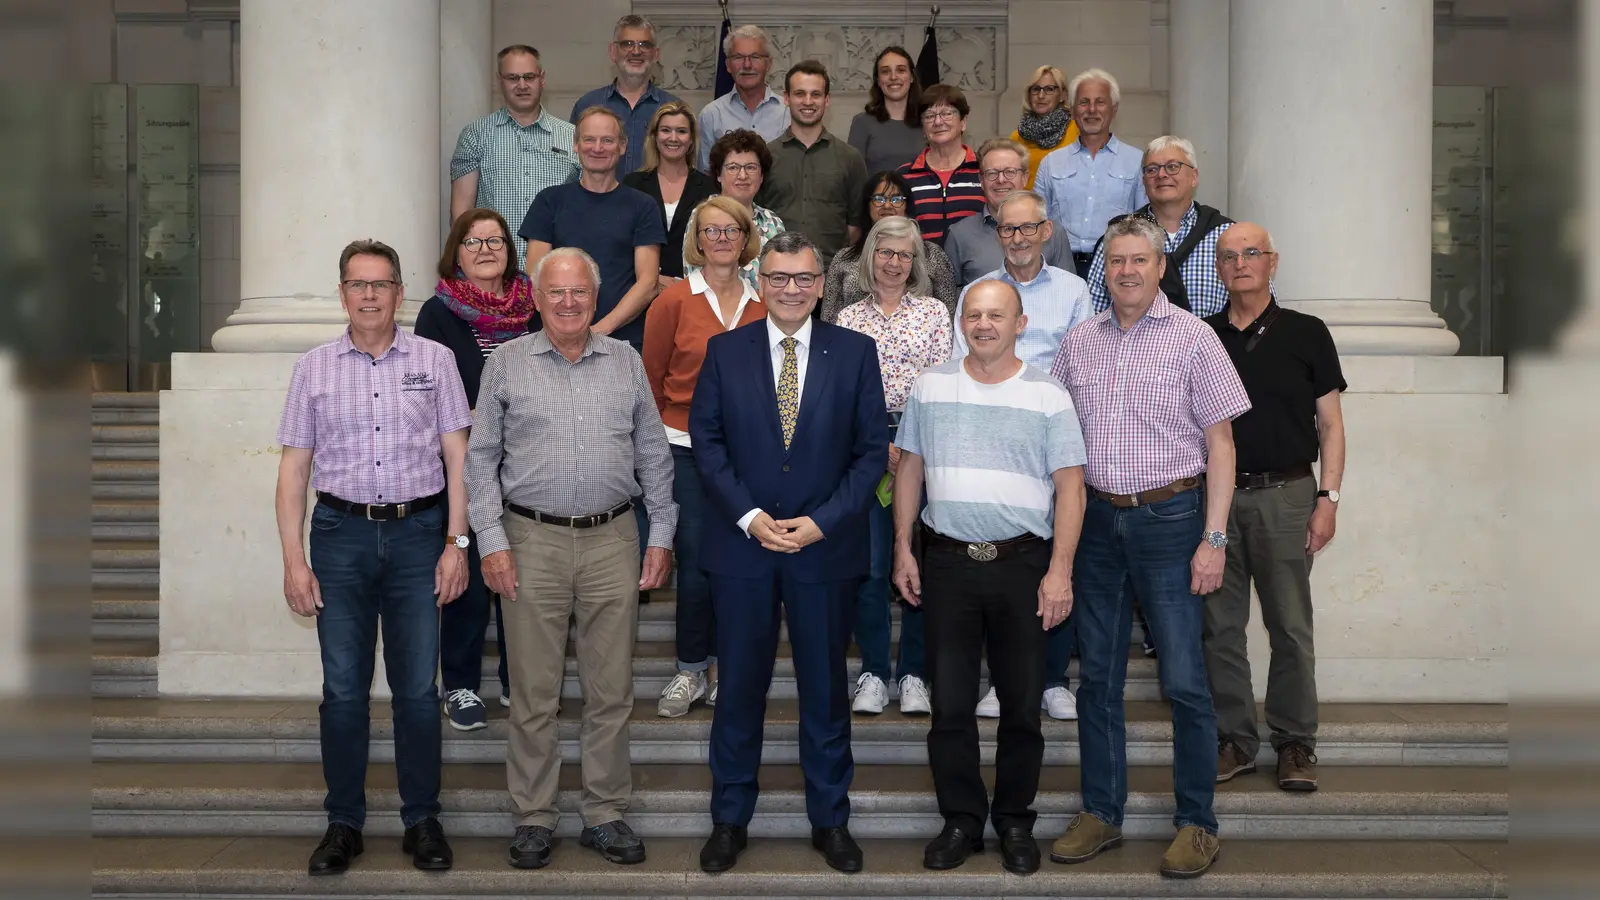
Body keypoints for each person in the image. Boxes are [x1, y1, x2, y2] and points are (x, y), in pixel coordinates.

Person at [1048, 215, 1251, 879]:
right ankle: (1102, 812)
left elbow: (1221, 446)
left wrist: (1214, 539)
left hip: (1173, 519)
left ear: (1160, 268)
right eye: (1117, 262)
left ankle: (1197, 823)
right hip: (1098, 525)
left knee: (1186, 683)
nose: (1128, 271)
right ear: (1103, 271)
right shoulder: (1080, 343)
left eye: (1140, 260)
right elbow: (1057, 440)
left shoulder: (1196, 340)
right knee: (1097, 680)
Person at [465, 247, 678, 871]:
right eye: (555, 292)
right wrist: (491, 541)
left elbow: (652, 452)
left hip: (614, 538)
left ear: (595, 295)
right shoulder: (505, 364)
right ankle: (533, 815)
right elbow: (480, 462)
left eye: (579, 292)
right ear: (536, 297)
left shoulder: (625, 361)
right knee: (533, 692)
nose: (567, 303)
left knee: (610, 690)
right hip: (531, 540)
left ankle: (605, 812)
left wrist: (661, 533)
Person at [690, 231, 888, 875]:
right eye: (779, 277)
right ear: (760, 279)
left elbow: (870, 454)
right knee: (739, 690)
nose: (792, 289)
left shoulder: (856, 353)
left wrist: (821, 523)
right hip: (742, 550)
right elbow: (708, 442)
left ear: (821, 285)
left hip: (822, 553)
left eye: (804, 278)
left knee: (826, 693)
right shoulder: (726, 351)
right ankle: (729, 819)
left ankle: (830, 818)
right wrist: (750, 517)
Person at [275, 239, 471, 876]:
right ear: (342, 293)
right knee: (342, 690)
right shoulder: (313, 368)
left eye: (380, 284)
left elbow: (458, 460)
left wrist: (457, 544)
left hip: (419, 536)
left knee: (418, 689)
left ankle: (422, 820)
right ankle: (343, 823)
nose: (368, 295)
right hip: (339, 536)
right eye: (357, 284)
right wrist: (293, 562)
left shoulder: (435, 360)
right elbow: (293, 471)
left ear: (398, 293)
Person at [893, 279, 1086, 876]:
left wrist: (1060, 570)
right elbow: (910, 471)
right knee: (949, 705)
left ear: (1020, 323)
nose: (983, 325)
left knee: (1023, 706)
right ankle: (960, 820)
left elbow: (1071, 488)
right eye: (973, 314)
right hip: (946, 563)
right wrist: (903, 547)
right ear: (961, 323)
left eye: (996, 315)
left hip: (1023, 565)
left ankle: (1012, 822)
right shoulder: (930, 387)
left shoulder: (1049, 394)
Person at [1203, 223, 1346, 793]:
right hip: (1216, 500)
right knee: (1219, 628)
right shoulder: (1202, 334)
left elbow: (1331, 426)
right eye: (1229, 256)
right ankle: (1235, 739)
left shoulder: (1307, 333)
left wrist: (1327, 498)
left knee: (1289, 625)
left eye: (1251, 253)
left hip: (1287, 496)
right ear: (1218, 268)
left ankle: (1294, 742)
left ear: (1272, 262)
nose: (1240, 263)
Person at [949, 190, 1091, 720]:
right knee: (998, 563)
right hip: (990, 441)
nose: (1018, 238)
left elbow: (1083, 364)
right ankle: (998, 679)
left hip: (1053, 437)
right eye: (1008, 229)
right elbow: (960, 360)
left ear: (1045, 230)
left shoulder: (1074, 291)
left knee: (1054, 553)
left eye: (1027, 228)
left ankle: (1053, 678)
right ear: (997, 234)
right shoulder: (978, 292)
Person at [641, 197, 768, 718]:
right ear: (696, 239)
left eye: (730, 230)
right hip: (684, 449)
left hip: (749, 457)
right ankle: (690, 668)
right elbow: (650, 379)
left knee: (738, 564)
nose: (720, 239)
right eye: (710, 230)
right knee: (694, 563)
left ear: (745, 239)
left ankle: (725, 668)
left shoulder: (764, 303)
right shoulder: (672, 301)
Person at [414, 209, 532, 730]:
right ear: (455, 251)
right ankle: (459, 684)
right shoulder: (437, 313)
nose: (486, 249)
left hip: (532, 460)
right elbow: (427, 393)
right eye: (473, 241)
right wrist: (474, 414)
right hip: (462, 461)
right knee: (467, 569)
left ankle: (518, 681)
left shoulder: (536, 306)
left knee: (523, 575)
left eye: (496, 240)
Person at [835, 216, 950, 717]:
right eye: (886, 252)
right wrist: (877, 446)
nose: (895, 262)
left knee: (919, 562)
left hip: (922, 445)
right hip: (864, 446)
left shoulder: (934, 313)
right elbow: (840, 393)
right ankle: (874, 672)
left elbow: (943, 383)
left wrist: (910, 445)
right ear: (870, 257)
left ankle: (914, 673)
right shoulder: (848, 320)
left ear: (916, 263)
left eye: (905, 255)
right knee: (872, 566)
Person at [519, 106, 664, 353]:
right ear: (576, 144)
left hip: (620, 341)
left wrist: (598, 332)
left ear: (622, 146)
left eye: (607, 140)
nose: (597, 148)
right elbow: (536, 276)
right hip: (554, 341)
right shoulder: (549, 202)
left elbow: (648, 283)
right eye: (589, 139)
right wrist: (567, 331)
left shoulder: (643, 206)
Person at [450, 45, 579, 261]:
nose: (522, 85)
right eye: (513, 78)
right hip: (494, 270)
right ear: (499, 80)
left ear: (542, 79)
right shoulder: (476, 135)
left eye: (529, 77)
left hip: (556, 270)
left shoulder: (573, 136)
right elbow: (462, 215)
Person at [1083, 135, 1234, 317]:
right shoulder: (1118, 236)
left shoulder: (1227, 236)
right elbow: (1095, 312)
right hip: (1130, 343)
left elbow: (1256, 305)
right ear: (1144, 180)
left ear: (1194, 176)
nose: (1161, 175)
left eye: (1172, 167)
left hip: (1210, 342)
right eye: (1152, 169)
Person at [1035, 68, 1147, 277]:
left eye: (1100, 102)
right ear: (1073, 110)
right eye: (1084, 102)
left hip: (1115, 271)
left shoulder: (1137, 161)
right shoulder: (1051, 163)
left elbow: (1144, 226)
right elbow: (1037, 224)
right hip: (1060, 270)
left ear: (1114, 110)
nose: (1092, 110)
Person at [758, 60, 869, 269]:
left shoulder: (850, 157)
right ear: (786, 98)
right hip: (776, 274)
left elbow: (855, 226)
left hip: (831, 275)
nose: (808, 101)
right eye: (800, 94)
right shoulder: (765, 156)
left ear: (827, 100)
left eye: (815, 94)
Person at [821, 171, 958, 322]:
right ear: (867, 205)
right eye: (878, 199)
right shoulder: (844, 258)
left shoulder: (932, 255)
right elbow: (829, 318)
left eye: (896, 199)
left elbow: (949, 316)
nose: (887, 205)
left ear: (907, 205)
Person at [944, 138, 1075, 287]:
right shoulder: (959, 235)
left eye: (1010, 172)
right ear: (981, 180)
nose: (1001, 180)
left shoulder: (1052, 232)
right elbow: (951, 300)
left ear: (1025, 177)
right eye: (992, 173)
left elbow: (1068, 289)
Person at [569, 15, 682, 175]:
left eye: (645, 44)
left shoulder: (674, 108)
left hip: (656, 200)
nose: (636, 51)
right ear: (612, 52)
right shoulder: (587, 105)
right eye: (627, 44)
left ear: (656, 55)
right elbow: (573, 165)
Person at [622, 101, 718, 284]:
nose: (673, 138)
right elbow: (623, 242)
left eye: (681, 131)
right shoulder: (632, 184)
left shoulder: (709, 188)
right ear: (655, 136)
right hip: (639, 289)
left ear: (691, 140)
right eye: (666, 130)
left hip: (694, 290)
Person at [689, 129, 786, 292]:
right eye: (733, 167)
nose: (742, 175)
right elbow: (692, 277)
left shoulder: (773, 222)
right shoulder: (702, 216)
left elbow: (782, 279)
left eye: (751, 167)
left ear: (762, 176)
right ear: (718, 175)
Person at [897, 83, 985, 247]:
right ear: (923, 127)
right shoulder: (904, 176)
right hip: (921, 270)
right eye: (929, 116)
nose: (938, 122)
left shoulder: (984, 171)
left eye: (946, 114)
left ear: (963, 122)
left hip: (975, 271)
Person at [698, 25, 789, 171]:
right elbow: (707, 174)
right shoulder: (712, 114)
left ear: (769, 64)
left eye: (755, 57)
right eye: (739, 57)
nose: (747, 65)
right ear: (728, 65)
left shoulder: (787, 113)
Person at [847, 45, 926, 176]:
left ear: (912, 77)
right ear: (878, 80)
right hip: (876, 196)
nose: (893, 77)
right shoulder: (862, 122)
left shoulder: (928, 121)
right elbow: (853, 178)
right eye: (885, 71)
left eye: (901, 70)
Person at [1011, 65, 1080, 190]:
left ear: (1062, 95)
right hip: (1028, 206)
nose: (1041, 95)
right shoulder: (1016, 137)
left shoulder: (1078, 131)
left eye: (1049, 89)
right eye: (1036, 89)